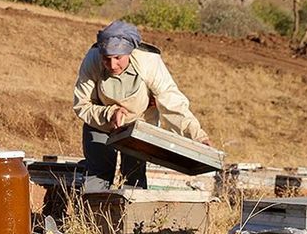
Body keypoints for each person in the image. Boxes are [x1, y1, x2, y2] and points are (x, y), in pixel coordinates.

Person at [73, 20, 212, 190]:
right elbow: (81, 104)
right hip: (101, 123)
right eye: (106, 59)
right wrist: (109, 113)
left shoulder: (149, 61)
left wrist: (198, 136)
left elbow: (172, 102)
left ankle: (133, 215)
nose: (112, 65)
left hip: (140, 123)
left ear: (130, 52)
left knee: (134, 175)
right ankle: (94, 215)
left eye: (118, 58)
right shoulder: (92, 60)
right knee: (98, 173)